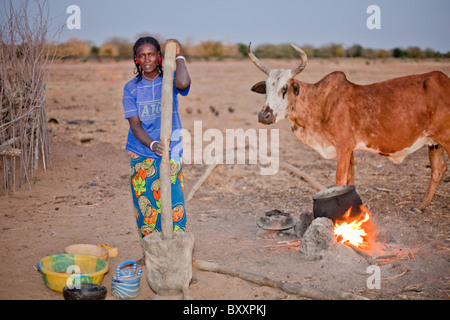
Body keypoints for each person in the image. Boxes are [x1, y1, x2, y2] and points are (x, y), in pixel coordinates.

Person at [122, 36, 191, 241]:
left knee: (174, 201)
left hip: (171, 149)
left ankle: (177, 249)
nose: (147, 59)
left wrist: (178, 56)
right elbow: (135, 125)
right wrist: (153, 145)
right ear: (136, 59)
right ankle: (152, 251)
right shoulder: (131, 88)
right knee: (147, 206)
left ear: (159, 57)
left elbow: (184, 82)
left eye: (151, 54)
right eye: (142, 56)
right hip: (143, 151)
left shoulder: (168, 80)